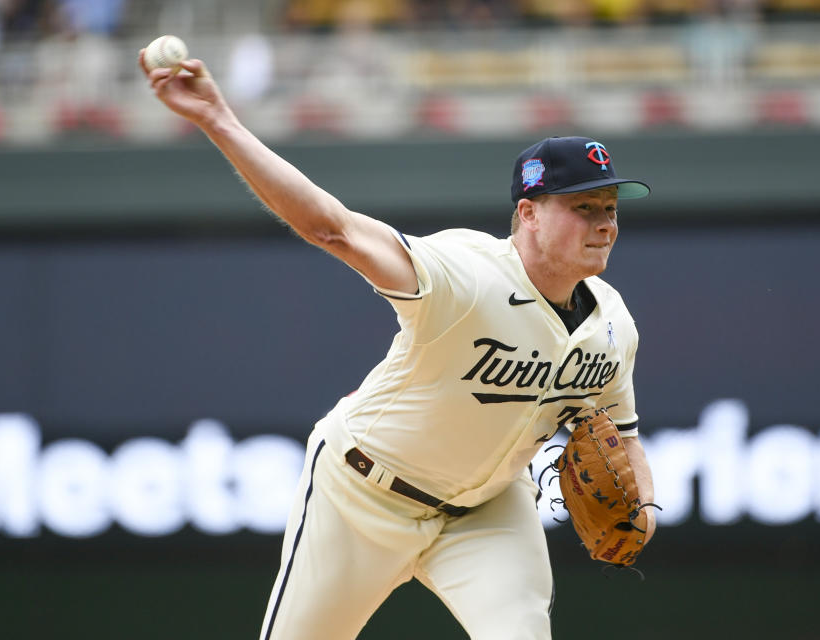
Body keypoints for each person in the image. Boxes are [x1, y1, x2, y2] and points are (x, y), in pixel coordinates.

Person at [140, 51, 656, 640]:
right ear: (529, 213)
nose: (605, 223)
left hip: (486, 511)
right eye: (583, 207)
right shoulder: (466, 275)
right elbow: (332, 227)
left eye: (611, 209)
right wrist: (219, 120)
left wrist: (646, 507)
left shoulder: (613, 324)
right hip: (363, 494)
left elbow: (623, 433)